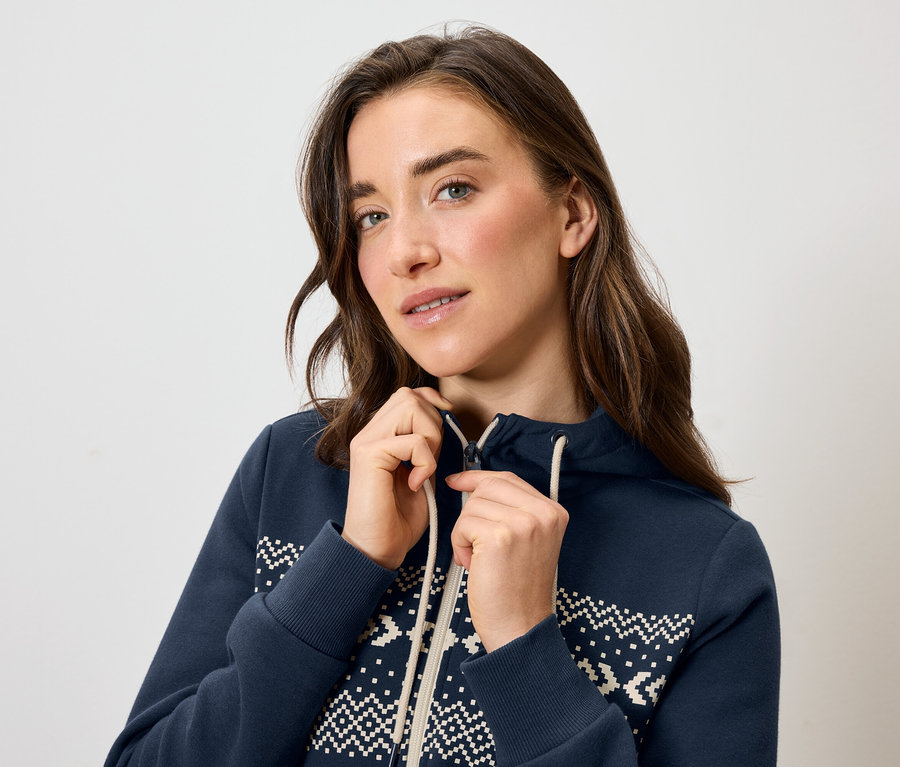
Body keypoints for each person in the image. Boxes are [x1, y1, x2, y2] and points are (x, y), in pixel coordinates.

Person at [105, 26, 779, 767]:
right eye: (372, 216)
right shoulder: (290, 473)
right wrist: (346, 568)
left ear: (573, 214)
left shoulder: (706, 564)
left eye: (452, 189)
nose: (405, 252)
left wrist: (526, 649)